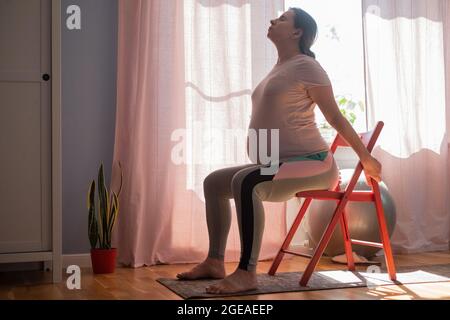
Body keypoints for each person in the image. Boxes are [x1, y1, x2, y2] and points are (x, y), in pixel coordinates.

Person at [176, 7, 382, 294]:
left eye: (283, 19)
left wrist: (365, 157)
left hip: (313, 163)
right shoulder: (280, 68)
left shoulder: (307, 67)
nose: (274, 20)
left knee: (246, 183)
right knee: (214, 182)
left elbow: (335, 117)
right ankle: (214, 261)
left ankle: (246, 273)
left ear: (297, 32)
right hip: (279, 162)